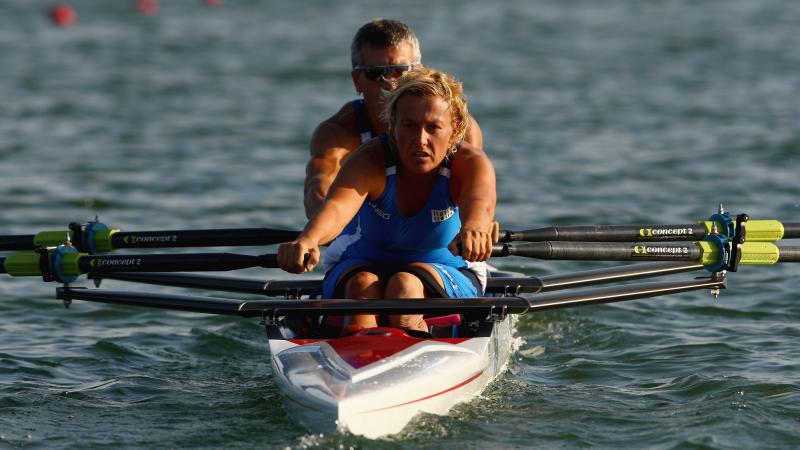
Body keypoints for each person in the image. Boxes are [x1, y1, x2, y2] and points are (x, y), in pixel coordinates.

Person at [279, 67, 496, 333]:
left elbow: (480, 203)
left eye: (433, 127)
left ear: (455, 130)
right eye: (409, 125)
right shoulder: (370, 160)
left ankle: (403, 342)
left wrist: (475, 229)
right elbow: (336, 209)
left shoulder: (469, 162)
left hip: (449, 267)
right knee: (361, 285)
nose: (420, 139)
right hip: (362, 263)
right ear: (391, 125)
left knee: (404, 286)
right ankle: (362, 354)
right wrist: (308, 239)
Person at [304, 18, 483, 219]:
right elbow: (317, 187)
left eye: (400, 71)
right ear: (357, 81)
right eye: (374, 74)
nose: (390, 84)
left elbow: (477, 194)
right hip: (364, 240)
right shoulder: (338, 133)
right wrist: (322, 224)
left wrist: (479, 223)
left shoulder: (462, 130)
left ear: (420, 72)